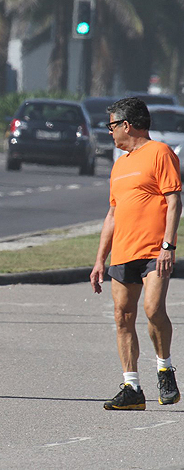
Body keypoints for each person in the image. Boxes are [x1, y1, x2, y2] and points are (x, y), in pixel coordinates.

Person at [90, 97, 182, 410]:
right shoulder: (119, 165)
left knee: (153, 309)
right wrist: (100, 259)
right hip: (123, 252)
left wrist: (169, 245)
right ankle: (132, 389)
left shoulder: (160, 153)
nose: (110, 133)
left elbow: (174, 201)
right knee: (122, 317)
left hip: (155, 250)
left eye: (112, 126)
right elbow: (112, 214)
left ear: (126, 125)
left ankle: (164, 368)